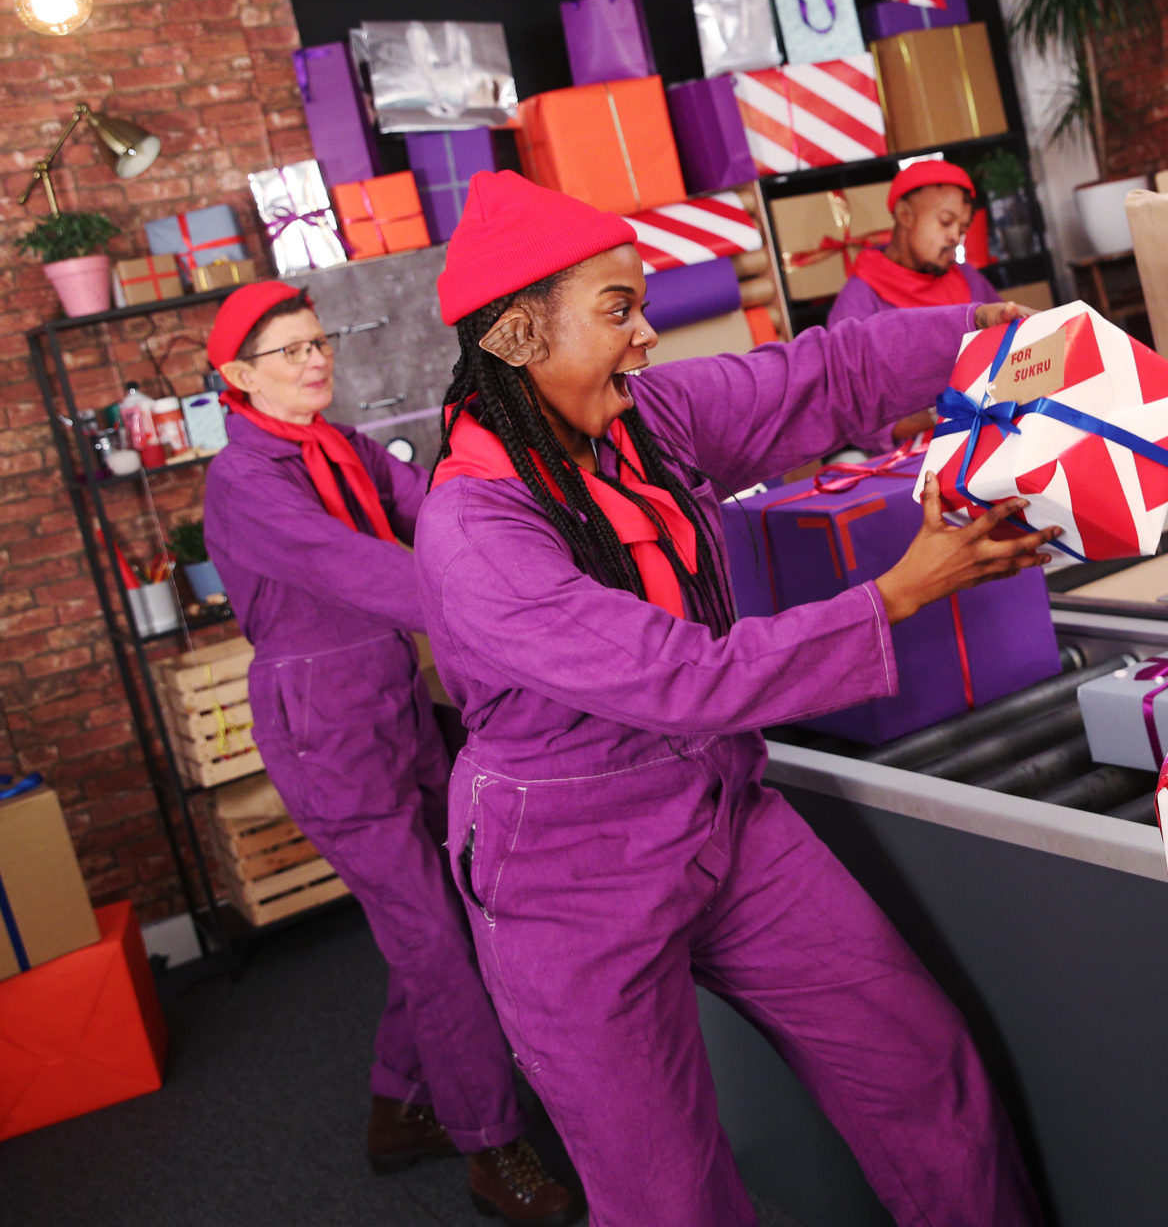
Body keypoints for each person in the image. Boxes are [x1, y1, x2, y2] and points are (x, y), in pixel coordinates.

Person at [413, 170, 1050, 1227]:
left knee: (916, 1068)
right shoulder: (476, 532)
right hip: (570, 874)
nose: (647, 335)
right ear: (520, 337)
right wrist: (898, 591)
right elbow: (681, 676)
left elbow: (812, 377)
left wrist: (966, 333)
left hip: (721, 813)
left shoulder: (642, 421)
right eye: (618, 311)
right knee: (670, 1198)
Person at [202, 282, 584, 1225]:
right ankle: (492, 1147)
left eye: (315, 340)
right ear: (237, 377)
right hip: (324, 731)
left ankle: (396, 1104)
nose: (313, 359)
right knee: (435, 936)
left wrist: (535, 524)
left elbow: (432, 507)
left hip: (394, 703)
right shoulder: (247, 481)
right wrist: (500, 603)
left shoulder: (339, 447)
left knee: (442, 913)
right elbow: (358, 569)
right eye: (287, 352)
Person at [828, 159, 1003, 326]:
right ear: (905, 215)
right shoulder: (859, 300)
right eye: (946, 221)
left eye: (963, 229)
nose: (955, 237)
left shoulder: (968, 278)